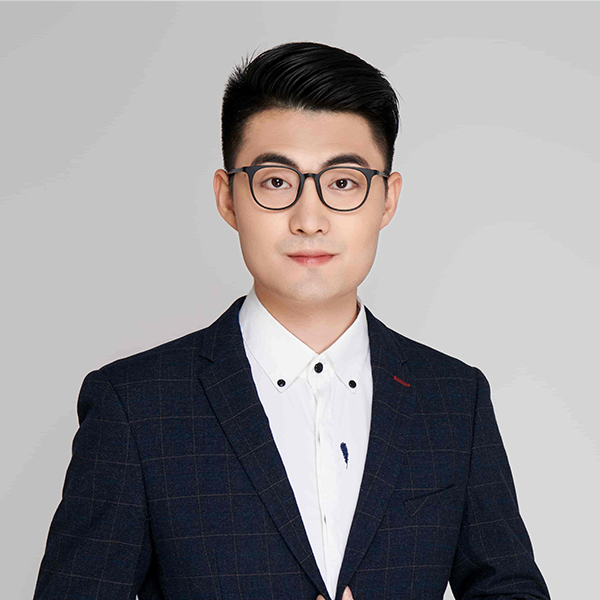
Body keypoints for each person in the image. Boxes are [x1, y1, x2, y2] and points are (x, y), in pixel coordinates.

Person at [32, 42, 550, 600]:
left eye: (343, 183)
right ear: (228, 198)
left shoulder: (453, 398)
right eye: (276, 182)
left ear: (387, 199)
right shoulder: (135, 405)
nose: (309, 219)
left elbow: (512, 590)